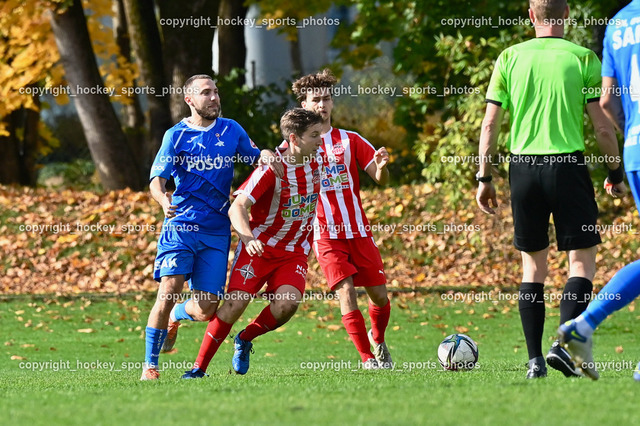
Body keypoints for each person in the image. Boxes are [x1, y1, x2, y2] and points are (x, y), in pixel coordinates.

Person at [476, 0, 626, 379]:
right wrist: (615, 170)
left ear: (531, 16)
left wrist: (484, 177)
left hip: (523, 169)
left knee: (533, 268)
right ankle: (562, 346)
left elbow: (490, 124)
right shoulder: (582, 58)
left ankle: (534, 361)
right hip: (568, 168)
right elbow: (602, 126)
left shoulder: (510, 57)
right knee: (581, 262)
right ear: (567, 14)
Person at [141, 74, 281, 380]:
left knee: (206, 309)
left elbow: (255, 158)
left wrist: (265, 155)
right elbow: (157, 181)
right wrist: (163, 200)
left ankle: (177, 315)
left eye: (216, 92)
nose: (214, 97)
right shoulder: (175, 136)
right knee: (169, 289)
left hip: (216, 230)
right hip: (181, 226)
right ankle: (150, 365)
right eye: (206, 93)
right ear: (189, 99)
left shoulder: (231, 129)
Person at [182, 108, 323, 378]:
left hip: (293, 252)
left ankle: (245, 338)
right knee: (234, 305)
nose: (320, 140)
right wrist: (248, 238)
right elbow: (237, 207)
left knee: (287, 305)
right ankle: (198, 368)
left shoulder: (319, 159)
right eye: (314, 135)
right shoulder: (271, 169)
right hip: (258, 249)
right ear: (295, 139)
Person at [559, 0, 640, 381]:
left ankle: (584, 325)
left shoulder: (618, 23)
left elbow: (607, 100)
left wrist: (631, 135)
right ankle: (584, 323)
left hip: (635, 151)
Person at [293, 69, 392, 369]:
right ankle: (367, 358)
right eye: (315, 100)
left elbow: (380, 178)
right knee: (346, 292)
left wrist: (381, 167)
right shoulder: (296, 145)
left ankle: (378, 339)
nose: (321, 105)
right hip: (325, 233)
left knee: (380, 296)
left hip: (358, 230)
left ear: (332, 102)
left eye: (326, 99)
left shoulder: (350, 140)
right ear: (304, 105)